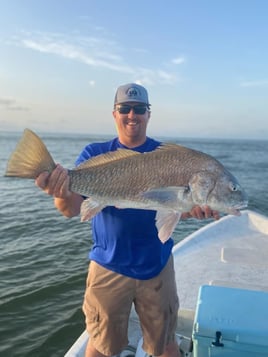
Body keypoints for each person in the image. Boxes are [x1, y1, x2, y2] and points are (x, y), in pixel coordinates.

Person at [35, 83, 219, 357]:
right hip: (108, 265)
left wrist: (192, 208)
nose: (132, 115)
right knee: (100, 344)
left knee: (165, 343)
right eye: (125, 108)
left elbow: (174, 208)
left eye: (139, 109)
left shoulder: (168, 156)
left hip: (156, 265)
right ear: (114, 113)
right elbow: (70, 209)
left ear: (148, 114)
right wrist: (60, 190)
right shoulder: (94, 154)